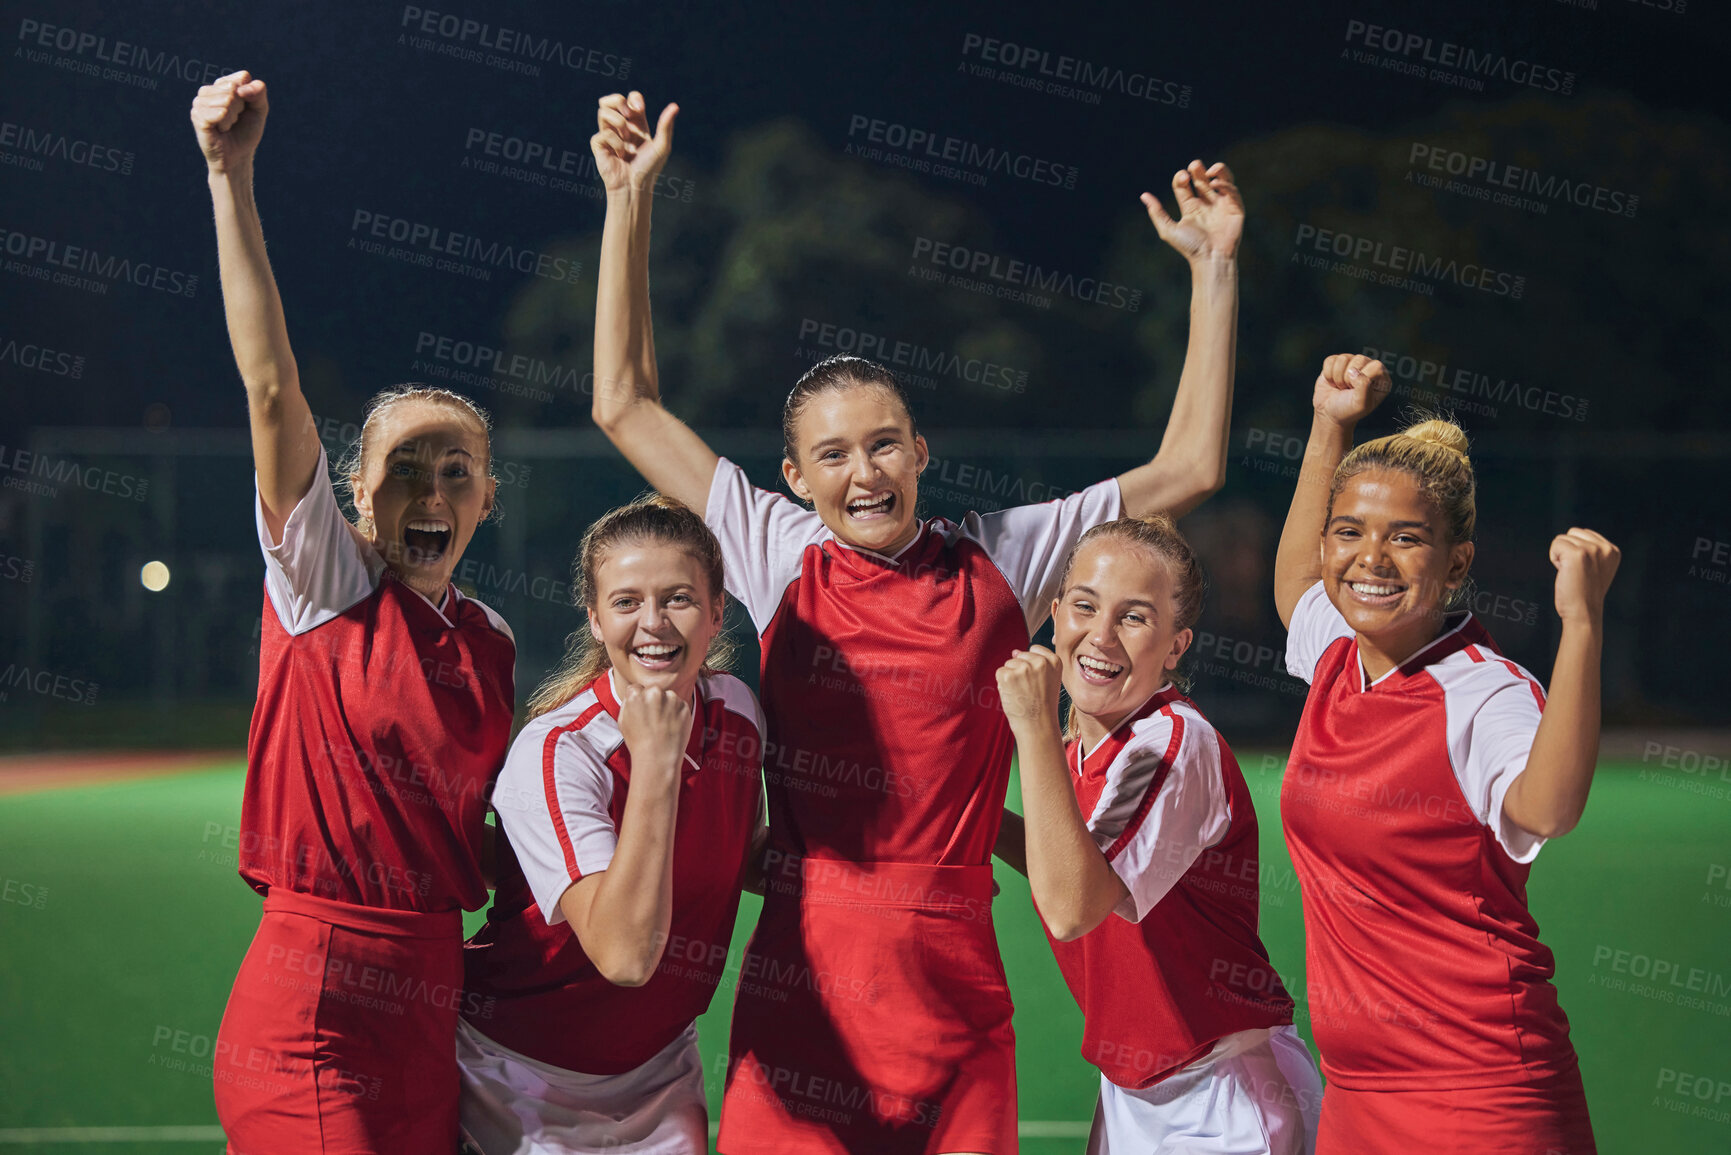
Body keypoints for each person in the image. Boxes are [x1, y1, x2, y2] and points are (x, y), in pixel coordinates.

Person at [588, 89, 1243, 1154]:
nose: (866, 471)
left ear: (921, 451)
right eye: (835, 455)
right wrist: (629, 201)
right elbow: (623, 403)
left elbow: (1192, 467)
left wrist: (1212, 271)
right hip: (805, 971)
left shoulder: (1001, 554)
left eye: (885, 443)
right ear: (795, 477)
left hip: (952, 976)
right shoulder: (775, 548)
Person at [192, 71, 516, 1153]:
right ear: (352, 490)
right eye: (402, 470)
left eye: (456, 471)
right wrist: (231, 177)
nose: (430, 494)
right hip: (315, 991)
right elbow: (272, 387)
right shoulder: (324, 584)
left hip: (435, 996)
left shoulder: (492, 641)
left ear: (487, 496)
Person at [1272, 353, 1616, 1152]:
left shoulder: (1483, 693)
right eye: (1349, 532)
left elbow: (1549, 808)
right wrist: (1330, 422)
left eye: (1405, 539)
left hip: (1481, 1092)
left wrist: (1582, 626)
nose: (1370, 559)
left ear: (1457, 562)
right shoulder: (1335, 653)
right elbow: (1297, 588)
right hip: (1356, 1095)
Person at [994, 516, 1320, 1154]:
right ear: (1056, 614)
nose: (1102, 636)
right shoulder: (1083, 756)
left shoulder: (1171, 746)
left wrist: (1031, 724)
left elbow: (1072, 906)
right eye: (1086, 606)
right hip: (1134, 1089)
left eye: (1135, 617)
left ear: (1176, 645)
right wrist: (973, 824)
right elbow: (1073, 866)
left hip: (1223, 1096)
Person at [458, 496, 766, 1154]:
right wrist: (654, 761)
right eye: (626, 602)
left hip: (659, 1068)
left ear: (716, 611)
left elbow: (744, 854)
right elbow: (625, 955)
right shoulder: (557, 751)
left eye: (677, 598)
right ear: (596, 620)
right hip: (518, 1076)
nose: (651, 623)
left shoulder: (738, 713)